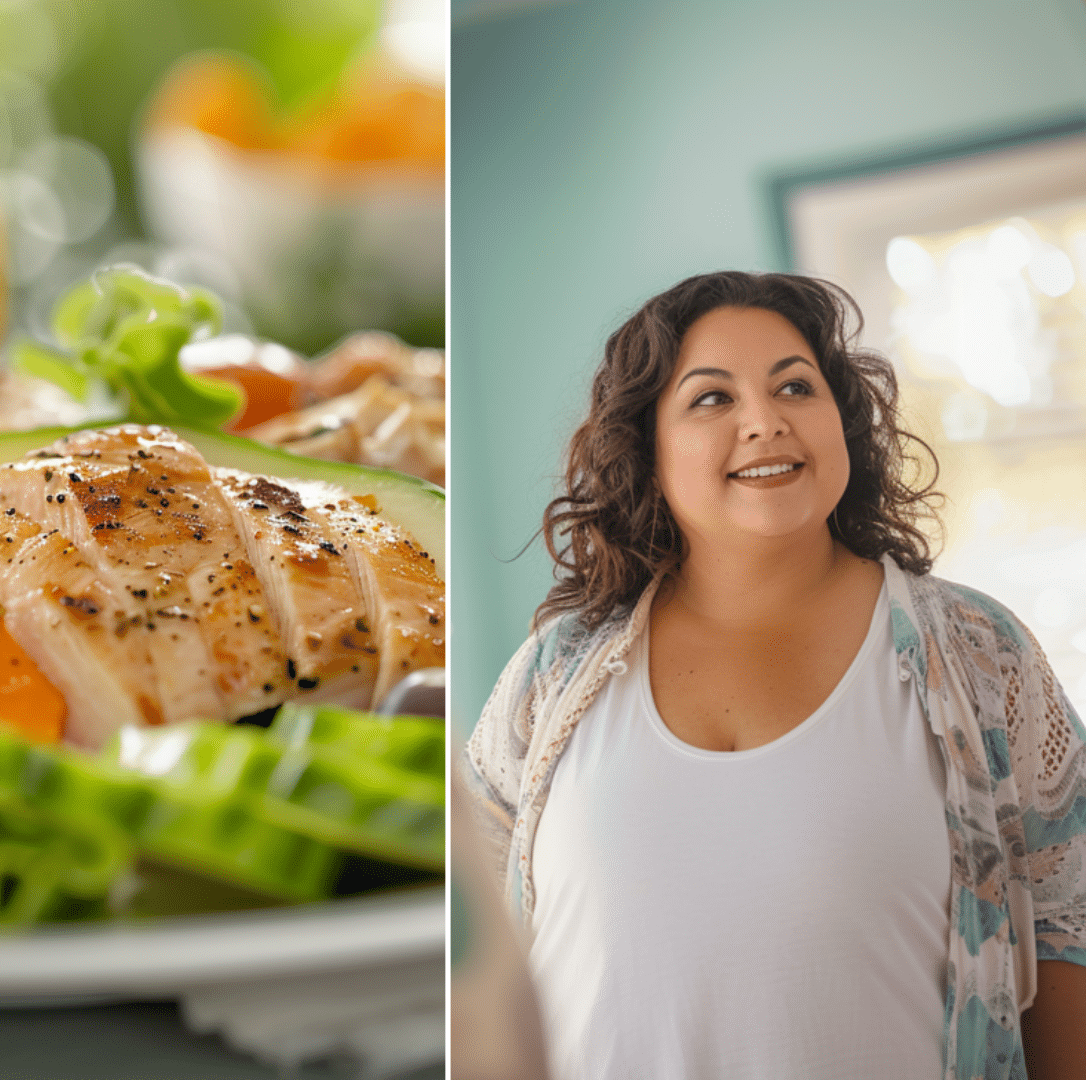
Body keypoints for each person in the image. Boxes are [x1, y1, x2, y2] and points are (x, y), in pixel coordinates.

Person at [462, 271, 1086, 1079]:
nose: (765, 422)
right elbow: (471, 938)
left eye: (796, 385)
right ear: (648, 450)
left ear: (842, 423)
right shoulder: (555, 672)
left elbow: (1068, 920)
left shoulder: (982, 653)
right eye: (712, 399)